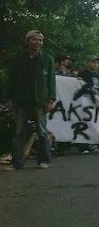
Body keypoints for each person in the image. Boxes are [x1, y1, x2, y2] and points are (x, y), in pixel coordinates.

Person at [4, 30, 55, 171]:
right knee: (19, 132)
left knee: (42, 132)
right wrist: (9, 98)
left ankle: (44, 160)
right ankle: (17, 163)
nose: (37, 42)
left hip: (40, 101)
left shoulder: (47, 59)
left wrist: (51, 100)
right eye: (34, 39)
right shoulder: (18, 59)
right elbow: (11, 80)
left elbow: (51, 81)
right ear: (28, 41)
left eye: (40, 40)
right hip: (21, 101)